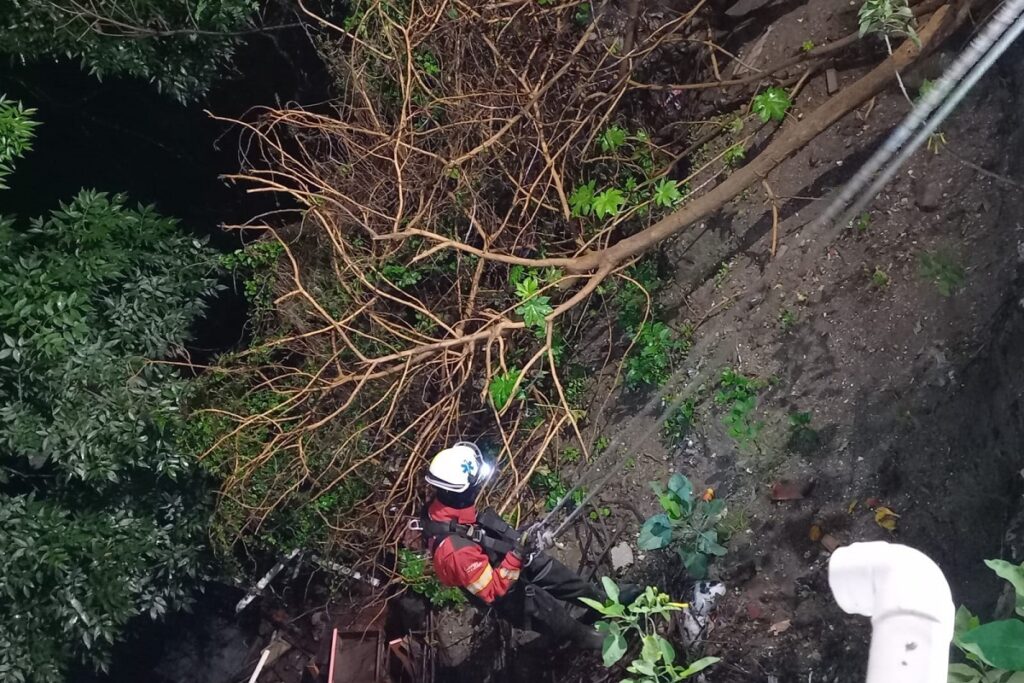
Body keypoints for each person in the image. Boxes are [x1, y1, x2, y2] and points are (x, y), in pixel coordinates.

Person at [417, 442, 638, 649]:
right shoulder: (456, 553)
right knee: (544, 609)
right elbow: (493, 591)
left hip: (498, 558)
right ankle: (588, 639)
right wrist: (516, 555)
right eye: (475, 486)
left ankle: (604, 602)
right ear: (461, 491)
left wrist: (523, 541)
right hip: (502, 589)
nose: (478, 489)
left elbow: (480, 536)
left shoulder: (450, 508)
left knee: (552, 572)